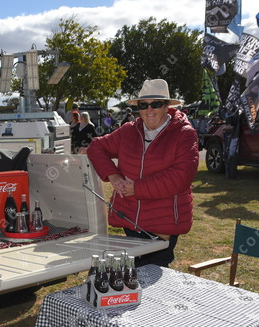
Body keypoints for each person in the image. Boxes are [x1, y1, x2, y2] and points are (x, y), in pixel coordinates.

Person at [84, 79, 199, 267]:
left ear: (167, 106)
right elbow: (96, 147)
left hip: (163, 224)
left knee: (154, 271)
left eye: (156, 104)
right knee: (132, 271)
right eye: (143, 105)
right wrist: (113, 176)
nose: (149, 110)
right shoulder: (129, 131)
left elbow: (181, 177)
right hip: (130, 220)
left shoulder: (184, 134)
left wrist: (136, 189)